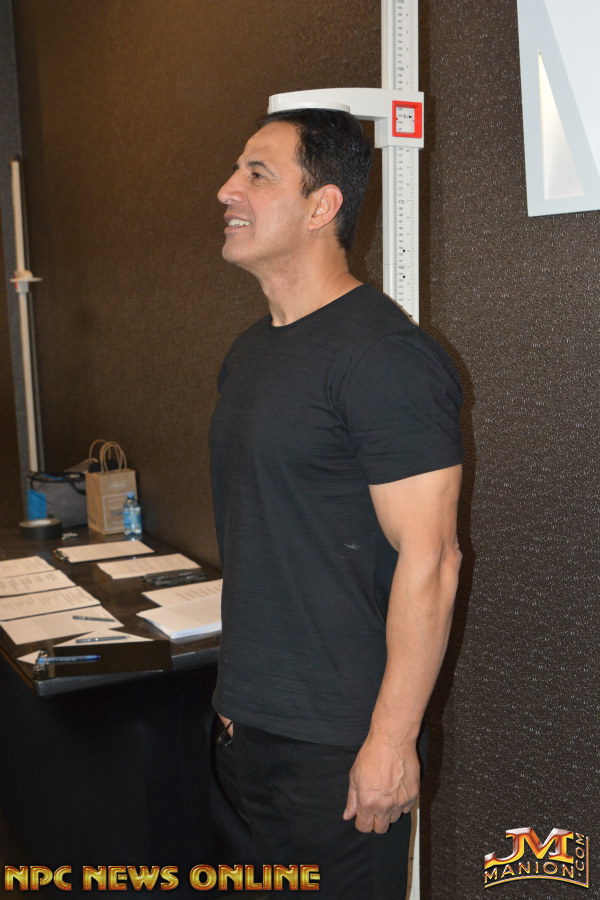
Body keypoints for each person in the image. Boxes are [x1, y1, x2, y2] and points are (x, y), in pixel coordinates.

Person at [209, 107, 463, 899]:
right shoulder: (251, 352)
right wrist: (238, 701)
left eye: (257, 173)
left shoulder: (384, 358)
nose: (226, 190)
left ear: (322, 206)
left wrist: (392, 742)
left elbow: (433, 560)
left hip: (339, 751)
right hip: (249, 728)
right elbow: (263, 540)